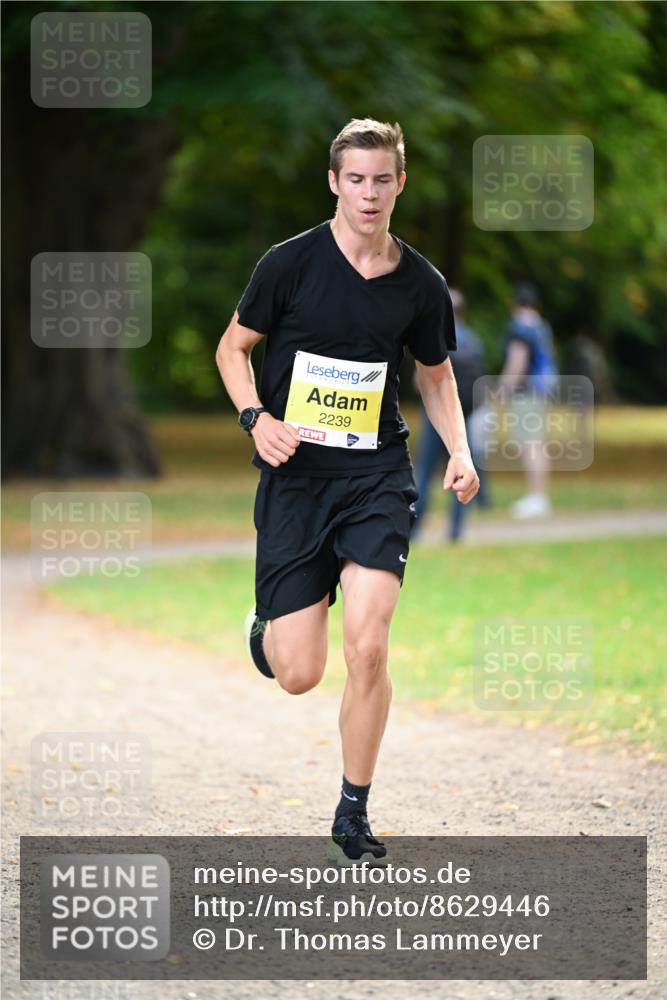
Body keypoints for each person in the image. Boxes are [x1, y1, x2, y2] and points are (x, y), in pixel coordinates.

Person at [216, 118, 479, 866]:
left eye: (381, 179)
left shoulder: (420, 283)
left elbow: (434, 375)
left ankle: (352, 811)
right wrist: (255, 418)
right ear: (335, 182)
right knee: (299, 673)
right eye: (354, 179)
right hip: (297, 478)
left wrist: (457, 449)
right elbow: (232, 349)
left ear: (400, 183)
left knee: (368, 646)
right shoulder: (289, 264)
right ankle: (266, 626)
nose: (368, 192)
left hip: (374, 477)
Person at [410, 288, 489, 542]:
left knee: (424, 473)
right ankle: (455, 531)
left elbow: (420, 381)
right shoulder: (474, 341)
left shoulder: (437, 336)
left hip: (434, 418)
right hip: (463, 416)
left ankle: (414, 529)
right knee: (461, 470)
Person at [498, 282, 558, 519]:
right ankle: (539, 495)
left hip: (526, 392)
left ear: (514, 303)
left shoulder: (520, 326)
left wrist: (503, 388)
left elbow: (517, 361)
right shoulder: (542, 325)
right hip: (543, 389)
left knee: (529, 443)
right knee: (538, 442)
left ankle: (537, 497)